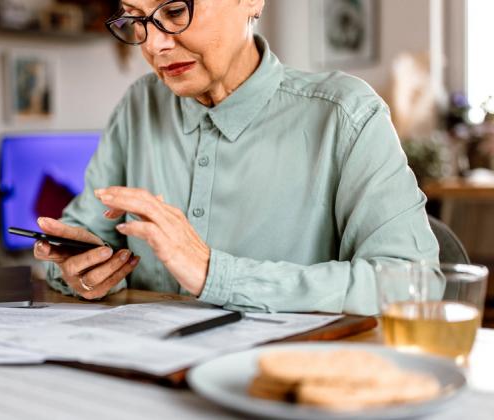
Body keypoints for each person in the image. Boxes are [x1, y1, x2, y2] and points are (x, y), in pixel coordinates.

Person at [32, 0, 438, 316]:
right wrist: (78, 268)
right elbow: (83, 236)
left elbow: (409, 283)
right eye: (136, 19)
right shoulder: (140, 104)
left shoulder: (345, 114)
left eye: (174, 11)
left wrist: (215, 274)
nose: (154, 44)